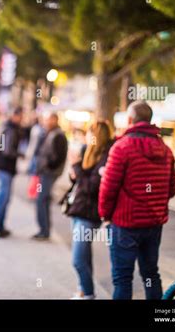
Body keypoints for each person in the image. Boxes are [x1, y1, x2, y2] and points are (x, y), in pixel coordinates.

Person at [98, 100, 175, 300]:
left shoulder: (121, 147)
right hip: (153, 224)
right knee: (151, 274)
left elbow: (108, 188)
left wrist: (105, 215)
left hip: (125, 224)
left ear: (130, 119)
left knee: (123, 278)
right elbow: (172, 188)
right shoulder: (165, 150)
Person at [66, 121, 113, 299]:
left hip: (90, 214)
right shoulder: (88, 151)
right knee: (84, 256)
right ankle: (83, 289)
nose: (86, 136)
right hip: (78, 209)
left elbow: (93, 187)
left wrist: (76, 167)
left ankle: (89, 294)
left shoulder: (106, 156)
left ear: (97, 136)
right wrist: (74, 172)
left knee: (77, 259)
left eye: (90, 133)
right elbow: (80, 182)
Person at [0, 107, 23, 238]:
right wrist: (20, 154)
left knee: (5, 198)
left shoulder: (9, 127)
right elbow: (7, 150)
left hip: (5, 168)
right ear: (14, 116)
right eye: (20, 116)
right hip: (4, 167)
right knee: (2, 198)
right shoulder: (10, 129)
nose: (21, 119)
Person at [33, 112, 67, 240]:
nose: (47, 122)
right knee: (43, 200)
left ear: (55, 120)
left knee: (41, 200)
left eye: (49, 119)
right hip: (45, 172)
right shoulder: (50, 133)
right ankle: (44, 229)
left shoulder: (58, 135)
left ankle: (44, 230)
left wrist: (47, 166)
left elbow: (58, 157)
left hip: (49, 173)